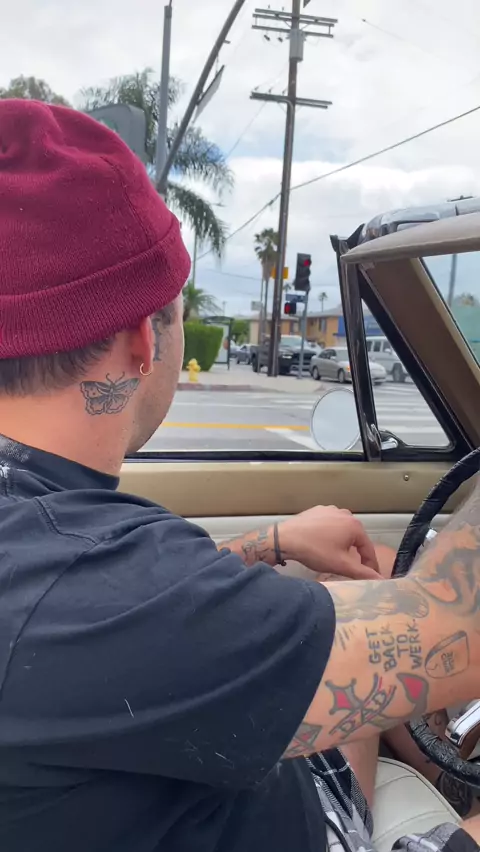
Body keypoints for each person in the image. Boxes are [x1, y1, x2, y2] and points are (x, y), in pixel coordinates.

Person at [1, 99, 480, 852]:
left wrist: (272, 542)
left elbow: (105, 618)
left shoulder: (54, 554)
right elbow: (461, 632)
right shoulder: (93, 583)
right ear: (142, 339)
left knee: (331, 589)